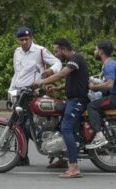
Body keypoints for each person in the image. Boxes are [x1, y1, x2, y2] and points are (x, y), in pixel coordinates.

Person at [33, 38, 89, 178]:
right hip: (71, 100)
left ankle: (74, 168)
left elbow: (61, 74)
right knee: (59, 126)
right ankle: (63, 160)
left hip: (78, 101)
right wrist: (57, 88)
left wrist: (41, 82)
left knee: (66, 128)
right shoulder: (72, 61)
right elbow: (75, 81)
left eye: (57, 50)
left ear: (64, 49)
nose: (56, 54)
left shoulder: (76, 59)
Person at [8, 26, 62, 166]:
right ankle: (22, 156)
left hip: (35, 93)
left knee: (37, 124)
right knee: (19, 124)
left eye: (26, 39)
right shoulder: (17, 52)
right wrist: (11, 91)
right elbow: (17, 73)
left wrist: (50, 71)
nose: (24, 42)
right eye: (21, 40)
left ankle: (53, 151)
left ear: (31, 38)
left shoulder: (40, 51)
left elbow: (58, 63)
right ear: (18, 40)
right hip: (20, 93)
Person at [85, 40, 116, 149]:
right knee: (96, 103)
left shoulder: (109, 65)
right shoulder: (111, 63)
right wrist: (94, 81)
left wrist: (93, 87)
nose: (95, 52)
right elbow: (106, 83)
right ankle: (100, 128)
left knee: (91, 106)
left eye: (96, 49)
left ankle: (99, 135)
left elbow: (109, 85)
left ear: (101, 52)